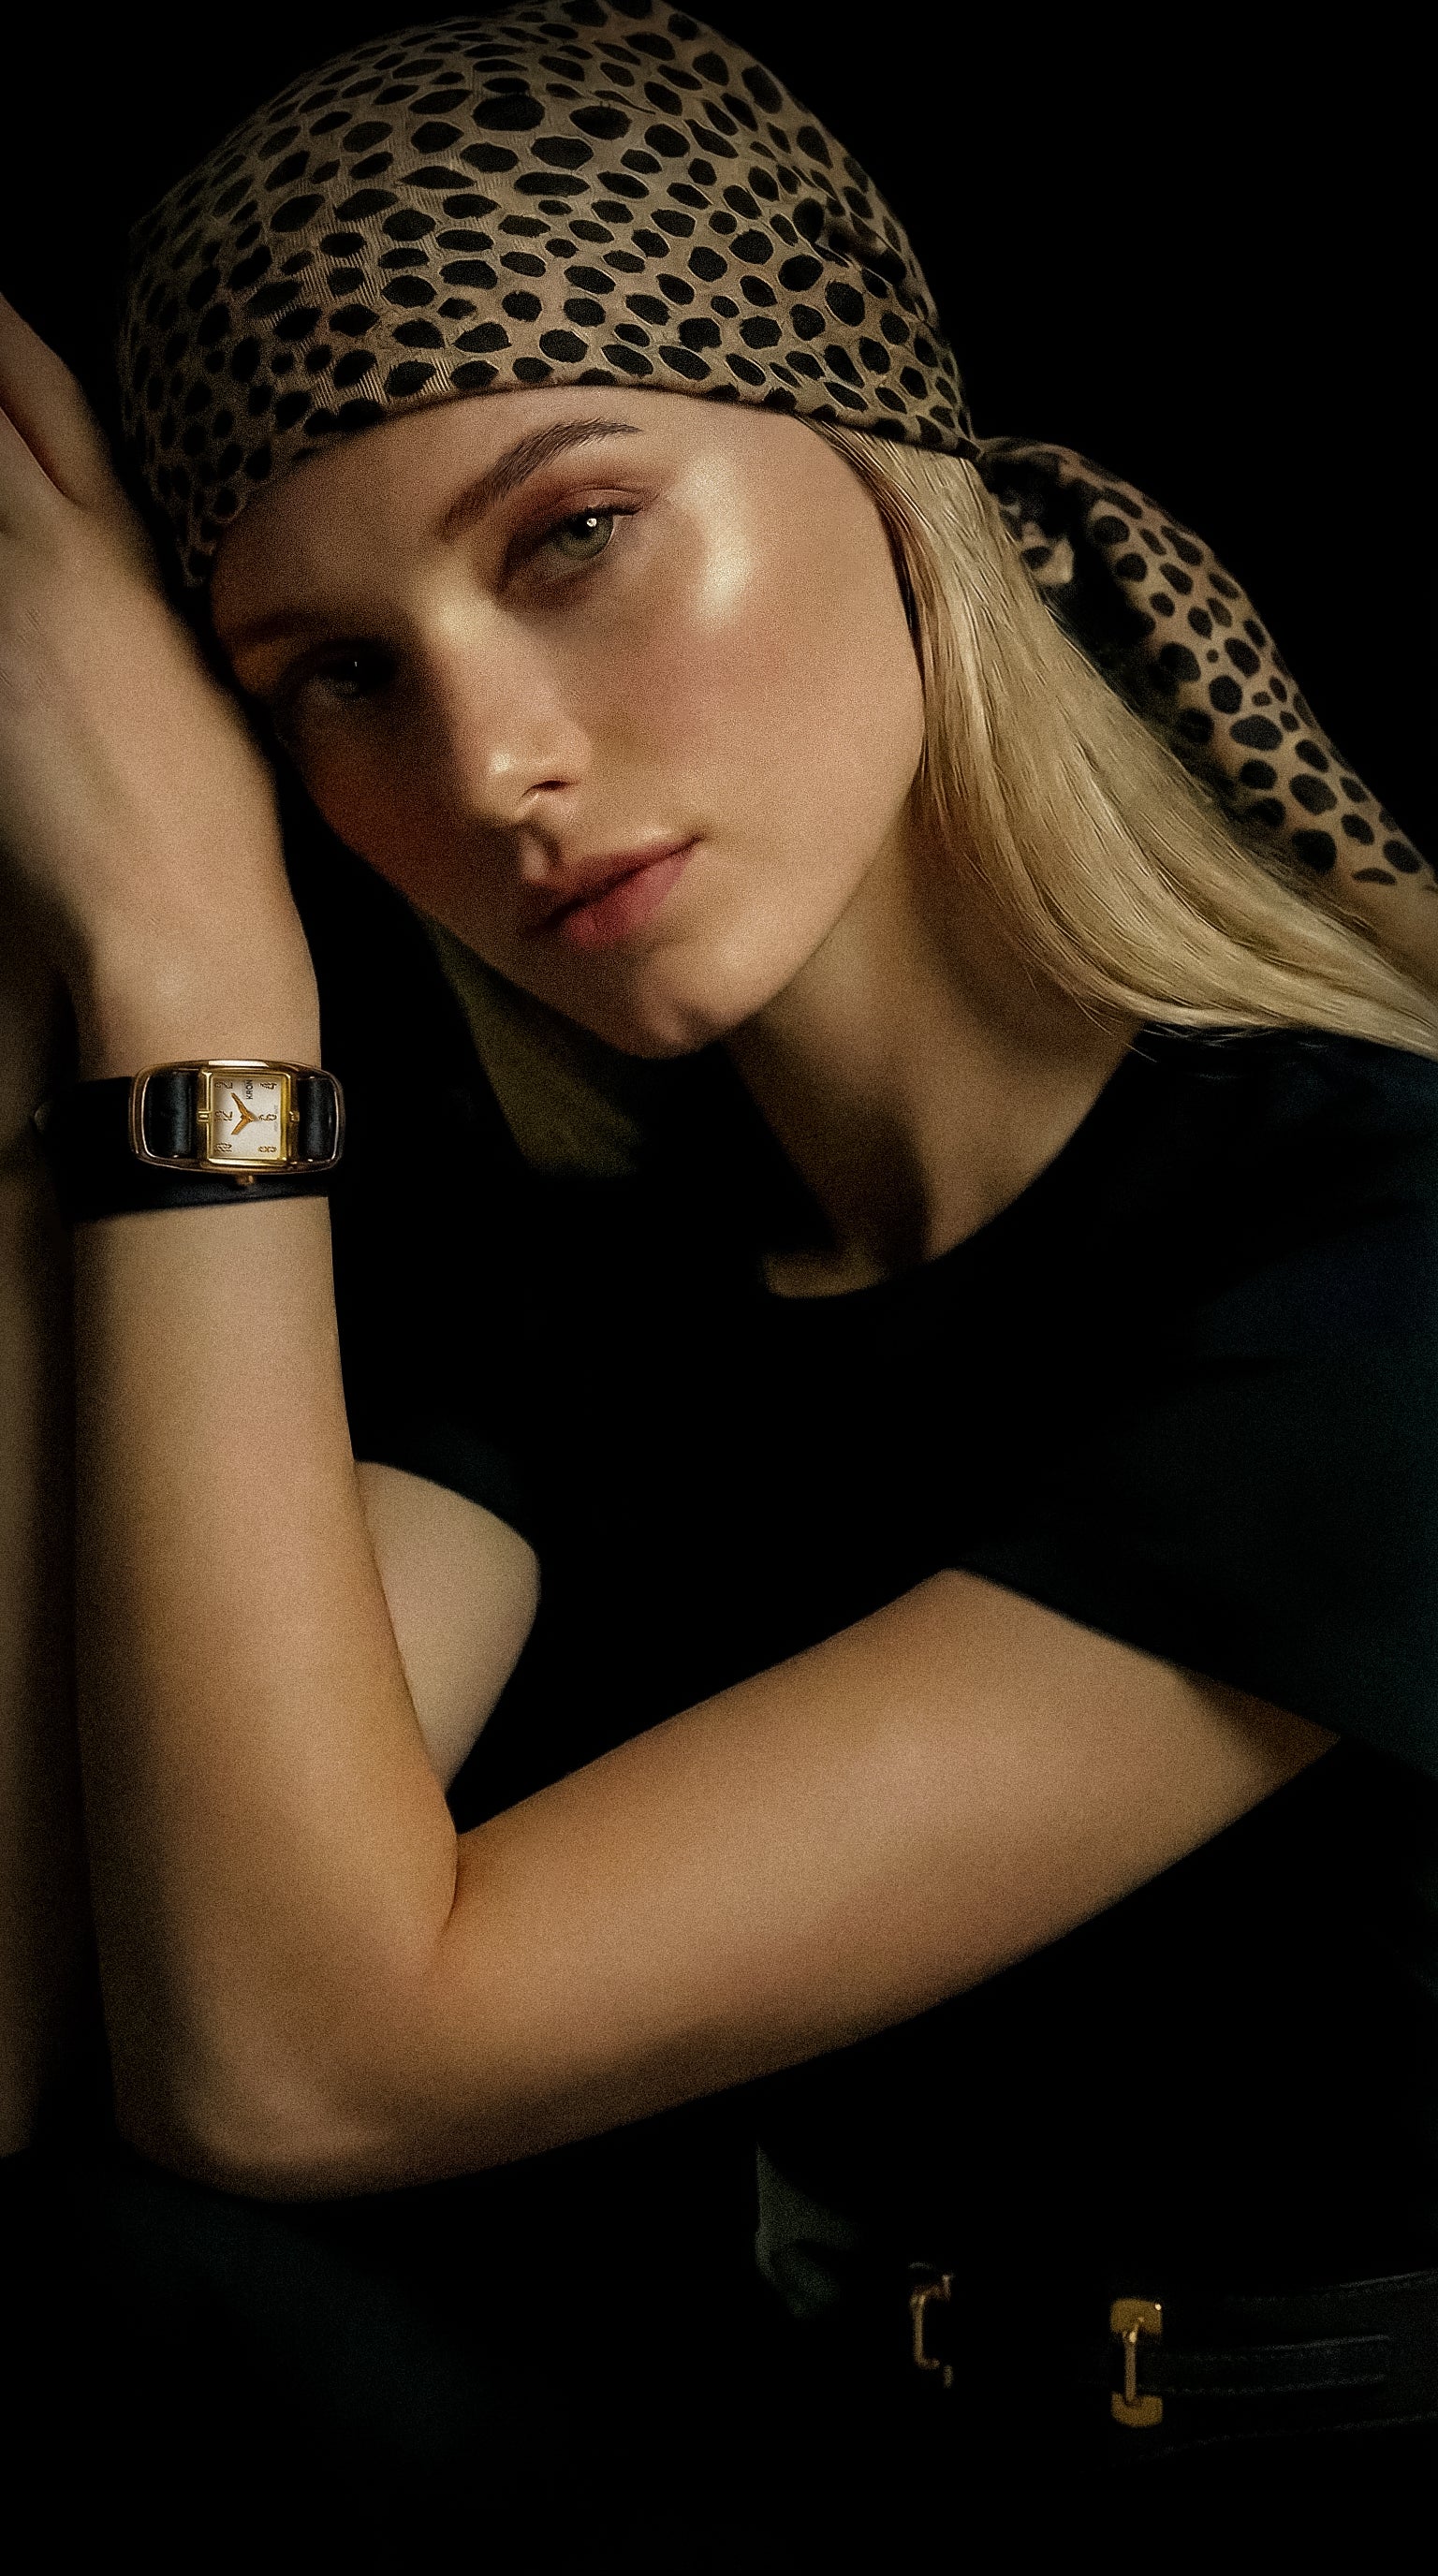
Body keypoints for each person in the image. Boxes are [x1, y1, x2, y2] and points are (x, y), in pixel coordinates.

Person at [2, 3, 1436, 2554]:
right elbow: (56, 2018)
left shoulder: (1382, 1259)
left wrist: (209, 988)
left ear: (890, 487)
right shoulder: (603, 1257)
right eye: (331, 680)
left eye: (571, 537)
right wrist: (74, 982)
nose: (488, 765)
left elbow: (308, 2064)